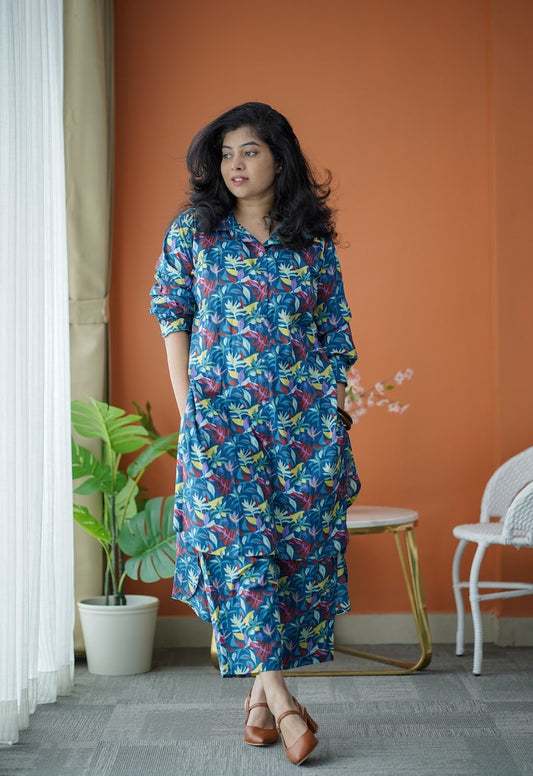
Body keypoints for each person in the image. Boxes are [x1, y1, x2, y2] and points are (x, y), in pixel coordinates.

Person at [150, 102, 360, 766]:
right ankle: (285, 701)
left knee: (288, 560)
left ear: (279, 157)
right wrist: (189, 409)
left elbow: (335, 333)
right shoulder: (194, 232)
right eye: (225, 154)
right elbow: (171, 314)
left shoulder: (310, 240)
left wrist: (332, 410)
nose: (235, 165)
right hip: (220, 427)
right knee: (239, 556)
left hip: (301, 432)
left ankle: (258, 702)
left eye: (249, 151)